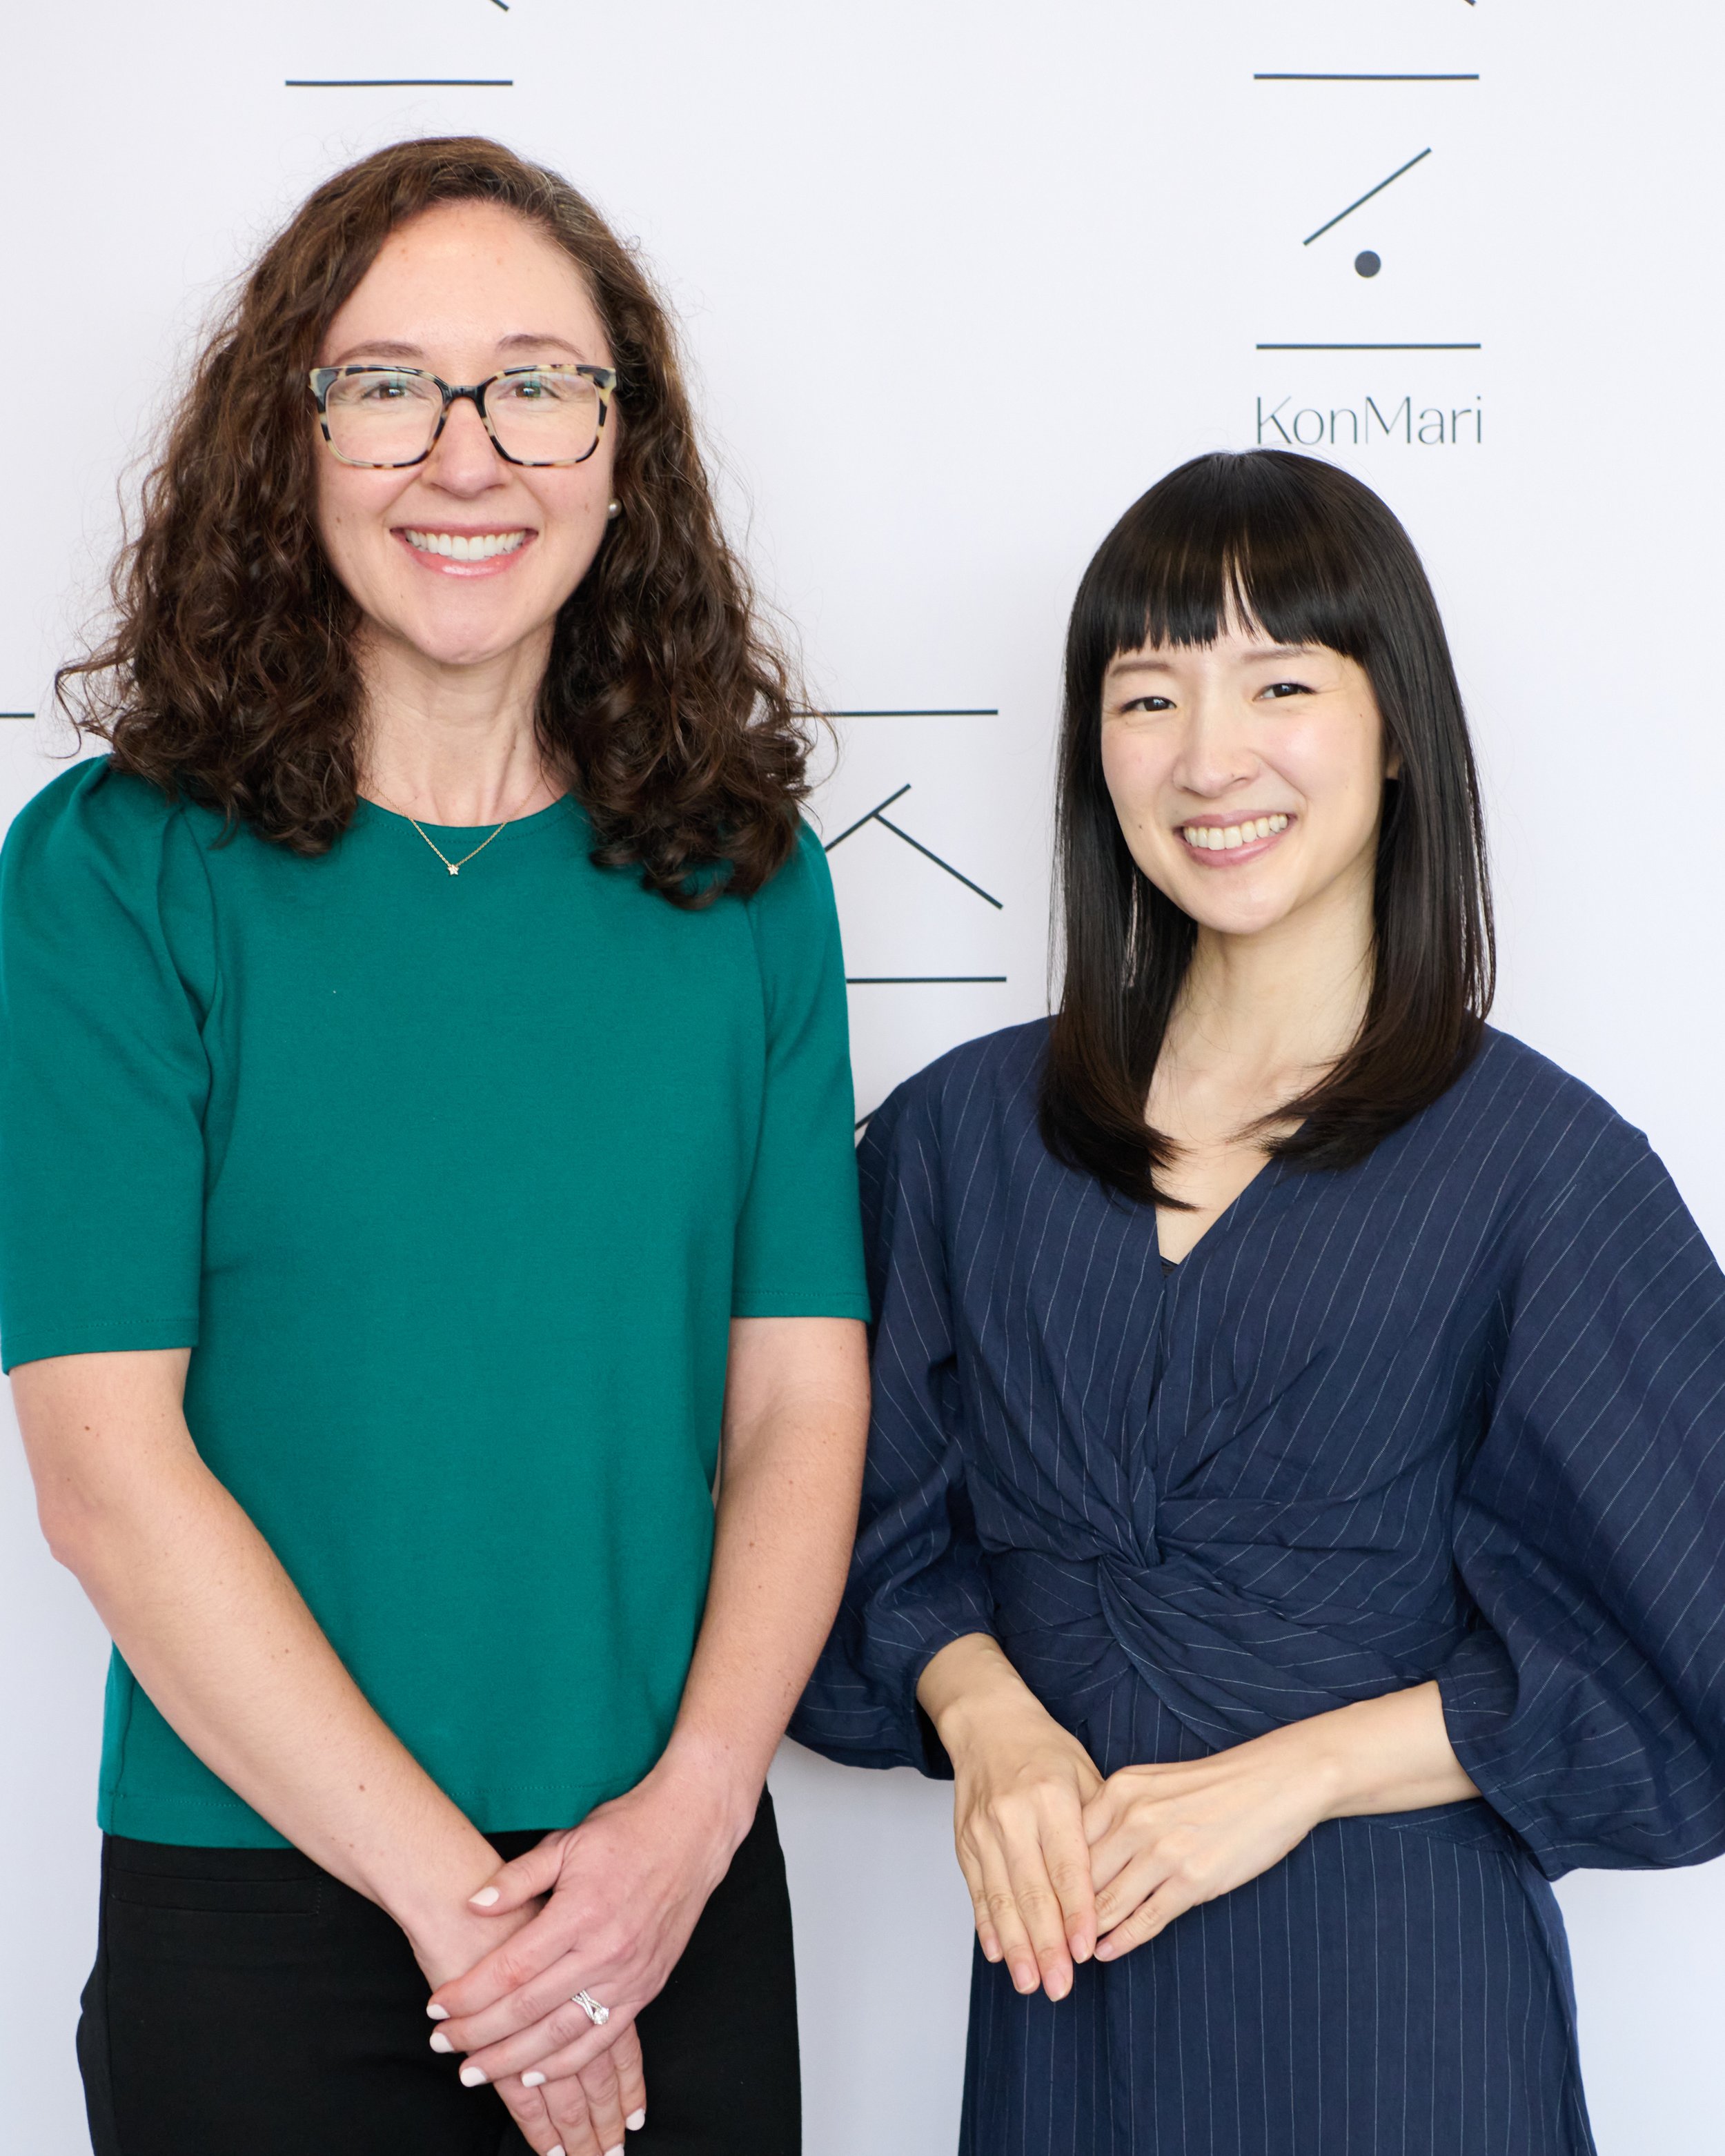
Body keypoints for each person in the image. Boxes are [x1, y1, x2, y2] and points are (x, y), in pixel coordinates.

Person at [2, 136, 871, 2156]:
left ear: (621, 448)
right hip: (262, 1901)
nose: (465, 456)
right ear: (288, 439)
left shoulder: (742, 881)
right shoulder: (116, 878)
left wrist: (685, 1827)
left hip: (663, 1888)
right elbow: (107, 1474)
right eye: (387, 386)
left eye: (535, 385)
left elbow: (796, 1406)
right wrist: (487, 1935)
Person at [793, 448, 1725, 2155]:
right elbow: (825, 1524)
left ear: (1394, 727)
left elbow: (1693, 1635)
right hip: (1065, 1985)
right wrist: (985, 1716)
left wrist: (1301, 1772)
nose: (1208, 757)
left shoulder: (1539, 1167)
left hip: (1397, 1996)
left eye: (1279, 684)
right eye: (1147, 696)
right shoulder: (959, 1139)